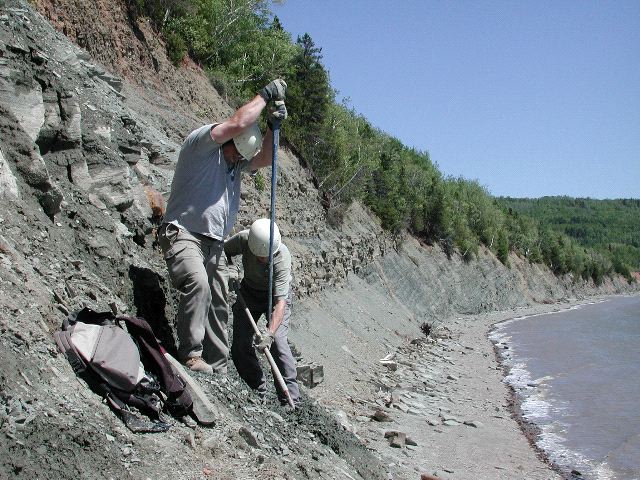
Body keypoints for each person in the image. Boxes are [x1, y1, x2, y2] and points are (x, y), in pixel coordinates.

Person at [158, 80, 287, 374]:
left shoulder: (236, 162)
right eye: (235, 154)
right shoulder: (202, 145)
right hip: (183, 232)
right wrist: (266, 96)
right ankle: (191, 354)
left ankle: (218, 365)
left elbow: (266, 157)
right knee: (198, 283)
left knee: (219, 301)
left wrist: (272, 127)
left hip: (214, 242)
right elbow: (239, 121)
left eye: (241, 158)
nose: (237, 161)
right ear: (227, 142)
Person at [224, 219, 300, 406]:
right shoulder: (244, 239)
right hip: (249, 291)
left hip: (273, 297)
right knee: (240, 343)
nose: (263, 259)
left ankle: (291, 399)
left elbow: (280, 303)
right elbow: (223, 250)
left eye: (266, 256)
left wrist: (270, 333)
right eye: (259, 256)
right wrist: (231, 268)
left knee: (279, 345)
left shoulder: (281, 257)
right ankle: (256, 388)